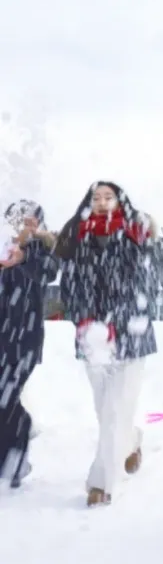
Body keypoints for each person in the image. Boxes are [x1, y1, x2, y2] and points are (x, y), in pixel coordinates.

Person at [55, 182, 157, 507]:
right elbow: (70, 287)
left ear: (119, 201)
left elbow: (143, 286)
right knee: (106, 411)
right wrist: (86, 321)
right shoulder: (78, 238)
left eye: (108, 197)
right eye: (96, 198)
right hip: (91, 339)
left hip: (130, 336)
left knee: (115, 409)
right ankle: (132, 440)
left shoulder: (135, 235)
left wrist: (116, 321)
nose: (101, 202)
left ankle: (101, 483)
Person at [0, 200, 58, 487]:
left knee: (6, 398)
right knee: (4, 400)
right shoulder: (2, 247)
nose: (23, 222)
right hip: (2, 338)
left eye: (30, 219)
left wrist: (23, 256)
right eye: (17, 217)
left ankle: (15, 461)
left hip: (23, 340)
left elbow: (49, 271)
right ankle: (10, 460)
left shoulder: (40, 250)